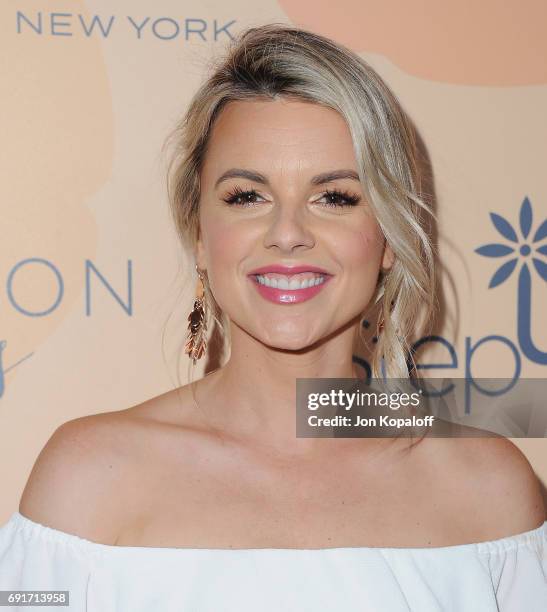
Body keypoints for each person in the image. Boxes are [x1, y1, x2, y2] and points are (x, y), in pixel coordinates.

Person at [0, 22, 545, 611]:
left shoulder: (488, 491)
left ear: (388, 238)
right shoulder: (87, 477)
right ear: (200, 236)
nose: (287, 234)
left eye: (334, 197)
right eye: (247, 196)